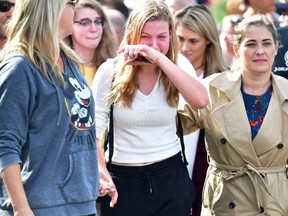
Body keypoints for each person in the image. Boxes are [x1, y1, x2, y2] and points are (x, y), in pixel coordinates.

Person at [91, 0, 209, 215]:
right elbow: (93, 135)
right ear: (132, 34)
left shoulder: (178, 65)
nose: (153, 44)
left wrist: (157, 58)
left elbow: (201, 100)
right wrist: (103, 176)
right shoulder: (110, 71)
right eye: (145, 37)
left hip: (169, 175)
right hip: (123, 178)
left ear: (171, 34)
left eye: (161, 37)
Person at [179, 14, 288, 215]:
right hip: (225, 202)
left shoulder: (287, 93)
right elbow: (172, 125)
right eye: (251, 44)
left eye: (266, 43)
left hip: (276, 204)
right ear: (236, 49)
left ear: (276, 48)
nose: (260, 51)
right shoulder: (212, 89)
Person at [0, 0, 100, 215]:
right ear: (49, 7)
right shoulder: (20, 67)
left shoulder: (68, 58)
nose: (76, 8)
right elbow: (5, 144)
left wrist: (96, 174)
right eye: (71, 2)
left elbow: (81, 130)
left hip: (82, 203)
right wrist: (21, 208)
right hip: (40, 207)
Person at [174, 5, 227, 216]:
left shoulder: (224, 79)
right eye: (180, 38)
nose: (185, 47)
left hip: (206, 170)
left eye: (193, 40)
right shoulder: (162, 72)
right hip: (167, 171)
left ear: (208, 40)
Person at [69, 0, 118, 87]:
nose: (93, 29)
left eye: (98, 22)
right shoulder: (61, 66)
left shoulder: (114, 67)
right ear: (69, 26)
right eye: (84, 23)